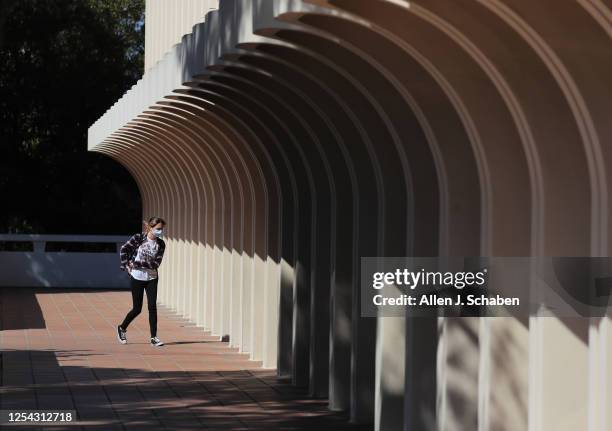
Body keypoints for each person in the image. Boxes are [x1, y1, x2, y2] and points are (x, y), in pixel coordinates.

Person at [116, 216, 167, 347]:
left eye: (162, 229)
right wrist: (126, 265)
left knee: (152, 307)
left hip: (152, 278)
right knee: (137, 309)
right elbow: (124, 249)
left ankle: (154, 337)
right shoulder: (139, 238)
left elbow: (156, 263)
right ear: (150, 227)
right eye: (158, 229)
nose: (160, 232)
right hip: (137, 277)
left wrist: (137, 263)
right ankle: (122, 328)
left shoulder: (161, 244)